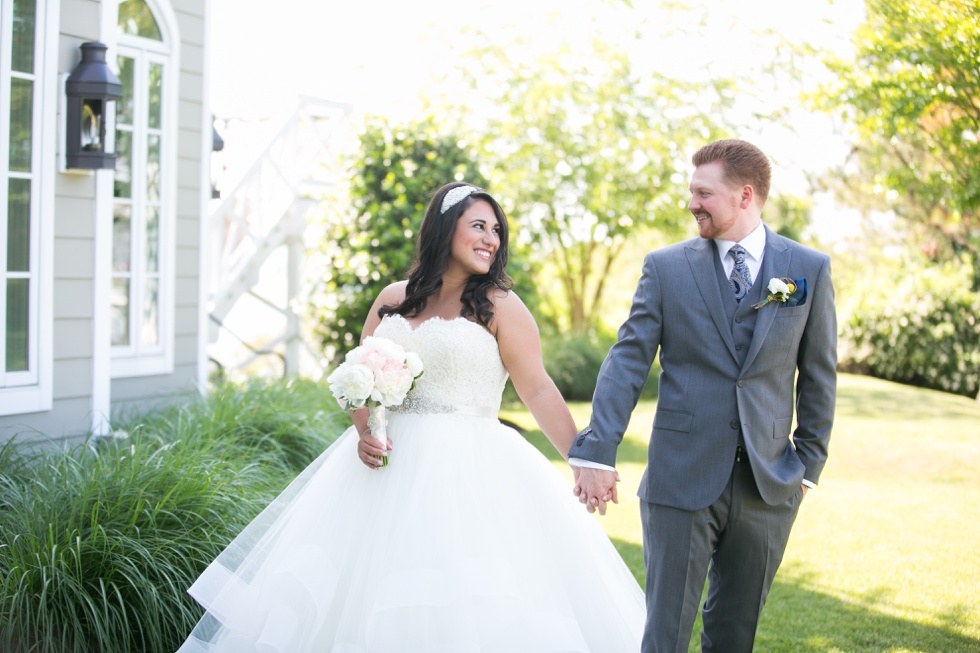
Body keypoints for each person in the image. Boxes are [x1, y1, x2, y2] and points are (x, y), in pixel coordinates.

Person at [178, 181, 645, 652]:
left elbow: (538, 387)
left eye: (497, 230)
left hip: (473, 468)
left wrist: (583, 460)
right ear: (445, 229)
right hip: (385, 468)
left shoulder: (500, 305)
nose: (491, 239)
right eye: (478, 226)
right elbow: (359, 377)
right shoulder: (393, 298)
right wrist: (366, 432)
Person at [570, 139, 837, 653]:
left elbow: (819, 375)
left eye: (703, 193)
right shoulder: (666, 268)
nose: (691, 203)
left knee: (735, 636)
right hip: (681, 478)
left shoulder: (807, 269)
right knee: (665, 635)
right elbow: (628, 360)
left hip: (768, 485)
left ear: (745, 195)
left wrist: (807, 468)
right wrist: (598, 447)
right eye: (691, 191)